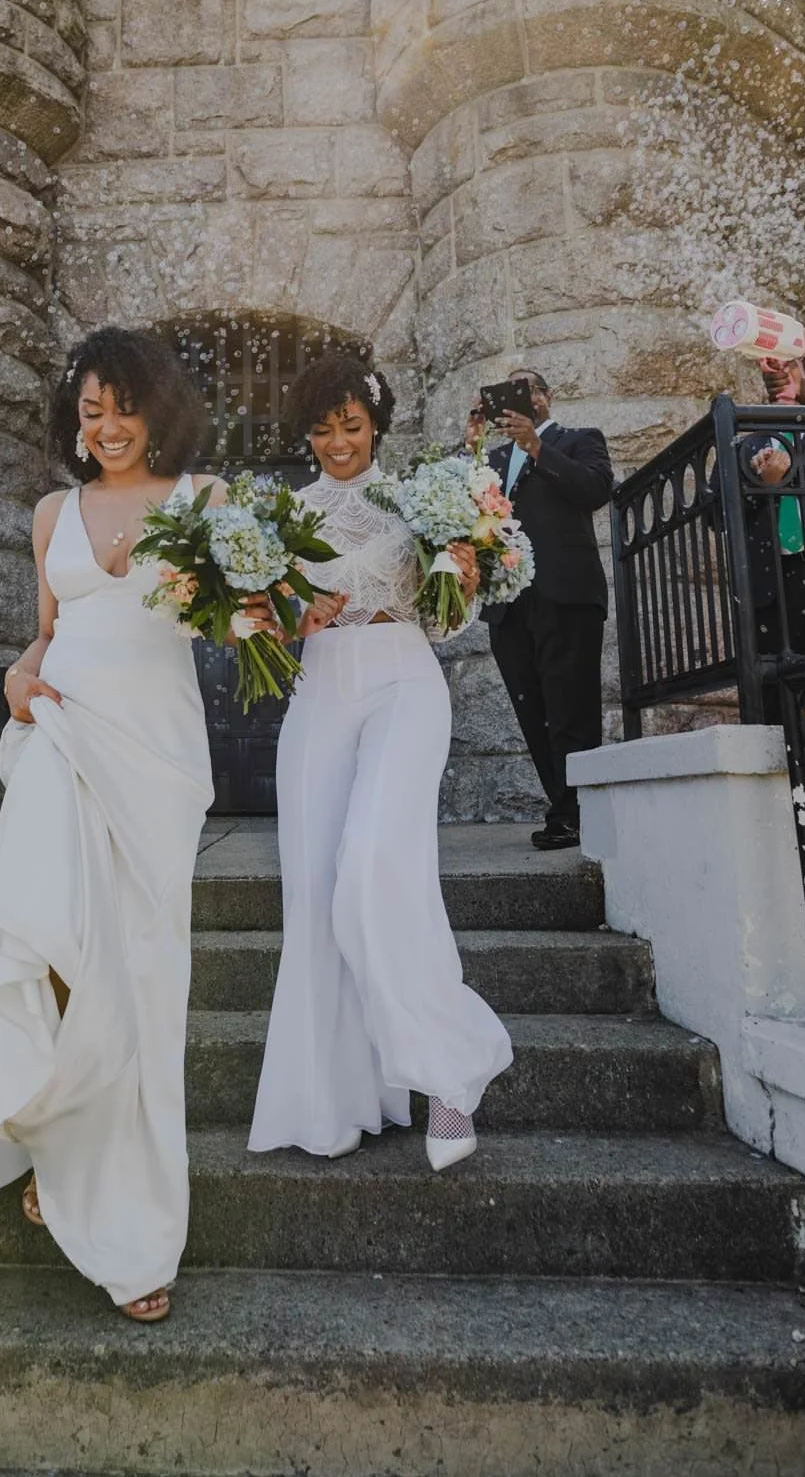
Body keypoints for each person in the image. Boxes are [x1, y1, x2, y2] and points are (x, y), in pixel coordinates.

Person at [0, 327, 271, 1323]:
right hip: (60, 734)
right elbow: (45, 632)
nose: (106, 426)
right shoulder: (49, 513)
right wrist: (15, 679)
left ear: (158, 409)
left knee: (143, 982)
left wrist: (248, 607)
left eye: (123, 407)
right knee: (52, 943)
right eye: (89, 409)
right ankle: (58, 1137)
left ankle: (120, 1209)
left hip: (155, 756)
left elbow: (230, 619)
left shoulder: (205, 501)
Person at [249, 354, 513, 1172]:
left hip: (402, 684)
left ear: (376, 425)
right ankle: (332, 1100)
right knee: (315, 894)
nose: (336, 443)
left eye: (351, 427)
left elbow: (445, 619)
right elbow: (268, 627)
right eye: (321, 429)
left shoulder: (419, 497)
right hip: (320, 695)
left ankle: (449, 1077)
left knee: (374, 868)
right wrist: (284, 612)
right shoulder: (279, 517)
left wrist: (463, 571)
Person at [466, 369, 613, 851]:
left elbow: (594, 489)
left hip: (566, 595)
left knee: (571, 705)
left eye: (526, 387)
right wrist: (471, 449)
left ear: (546, 398)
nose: (519, 395)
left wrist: (537, 448)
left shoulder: (577, 441)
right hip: (509, 604)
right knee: (532, 709)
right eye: (508, 389)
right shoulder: (491, 460)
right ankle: (562, 804)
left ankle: (578, 810)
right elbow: (466, 513)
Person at [742, 357, 805, 699]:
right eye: (775, 381)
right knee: (780, 683)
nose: (784, 387)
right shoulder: (747, 442)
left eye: (791, 379)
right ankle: (787, 749)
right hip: (778, 578)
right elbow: (717, 517)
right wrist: (764, 485)